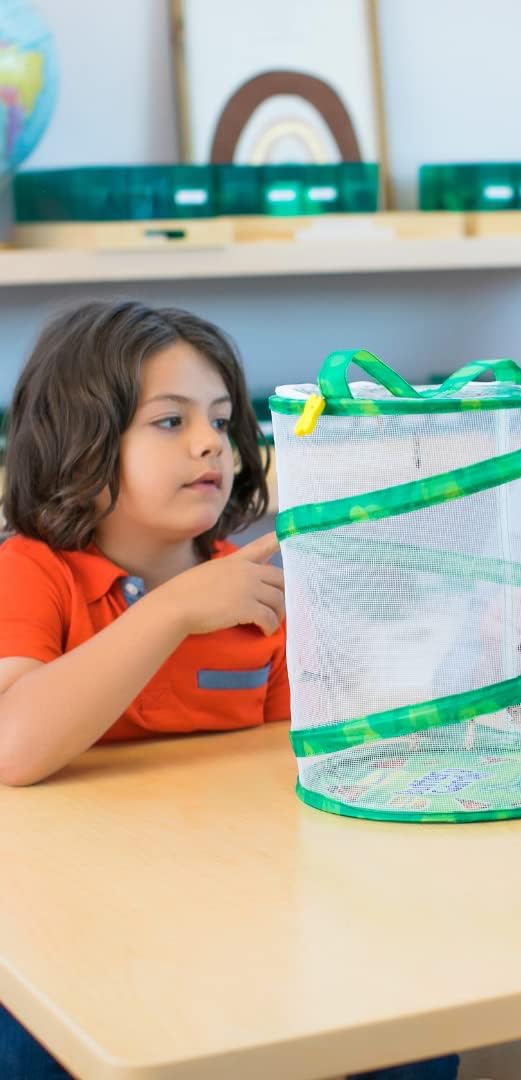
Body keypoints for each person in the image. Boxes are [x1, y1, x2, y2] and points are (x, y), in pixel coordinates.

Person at [0, 300, 458, 1080]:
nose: (212, 442)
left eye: (221, 420)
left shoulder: (262, 588)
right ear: (80, 441)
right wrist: (176, 609)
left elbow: (300, 761)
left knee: (411, 1035)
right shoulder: (30, 571)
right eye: (170, 423)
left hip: (234, 911)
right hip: (70, 931)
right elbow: (15, 746)